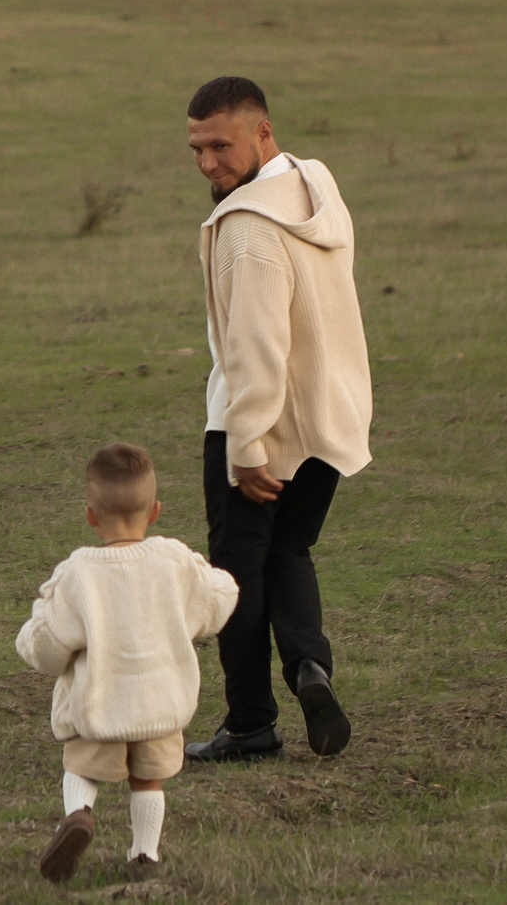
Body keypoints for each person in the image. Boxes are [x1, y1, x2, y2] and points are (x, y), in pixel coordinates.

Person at [179, 75, 372, 765]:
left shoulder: (248, 229)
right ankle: (307, 667)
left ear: (263, 131)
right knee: (290, 552)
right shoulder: (314, 184)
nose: (208, 164)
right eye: (197, 148)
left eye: (222, 145)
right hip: (331, 419)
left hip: (265, 427)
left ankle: (251, 722)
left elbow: (256, 346)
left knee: (236, 574)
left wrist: (245, 443)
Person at [15, 443, 238, 885]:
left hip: (101, 707)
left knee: (80, 767)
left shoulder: (80, 573)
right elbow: (220, 596)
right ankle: (144, 855)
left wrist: (29, 641)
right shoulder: (174, 561)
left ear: (90, 516)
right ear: (155, 511)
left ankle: (78, 815)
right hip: (160, 709)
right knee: (148, 782)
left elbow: (47, 645)